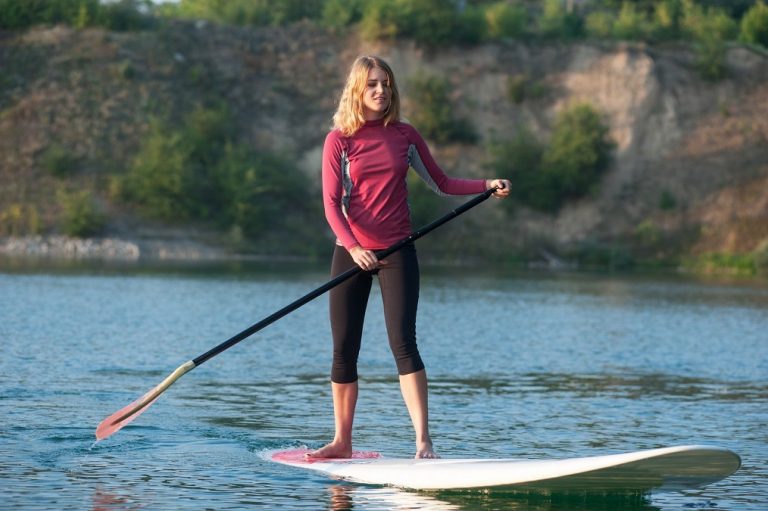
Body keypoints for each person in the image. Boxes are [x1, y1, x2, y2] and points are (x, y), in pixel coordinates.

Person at [309, 55, 510, 460]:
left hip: (398, 250)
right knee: (344, 348)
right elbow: (331, 205)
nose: (381, 90)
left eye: (386, 83)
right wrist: (354, 248)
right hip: (351, 252)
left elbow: (442, 183)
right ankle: (342, 441)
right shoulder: (339, 140)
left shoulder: (405, 135)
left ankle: (423, 442)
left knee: (404, 343)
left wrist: (486, 184)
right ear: (357, 90)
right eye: (372, 84)